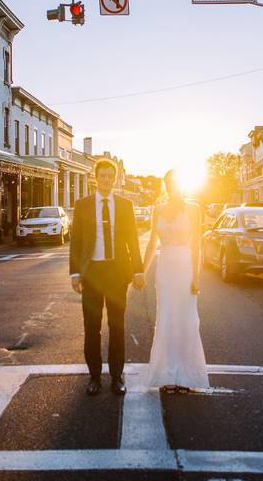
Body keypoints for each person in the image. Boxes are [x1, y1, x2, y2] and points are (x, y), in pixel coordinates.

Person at [69, 158, 144, 396]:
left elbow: (133, 239)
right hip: (92, 273)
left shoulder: (125, 204)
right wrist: (75, 272)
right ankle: (93, 377)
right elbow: (76, 241)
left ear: (115, 178)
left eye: (111, 176)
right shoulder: (83, 205)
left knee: (117, 326)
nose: (107, 180)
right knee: (92, 328)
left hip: (116, 272)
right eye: (103, 176)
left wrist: (138, 269)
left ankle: (117, 376)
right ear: (95, 177)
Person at [139, 170, 210, 392]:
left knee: (187, 319)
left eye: (176, 183)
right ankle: (168, 373)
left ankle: (187, 376)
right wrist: (141, 271)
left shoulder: (193, 208)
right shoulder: (158, 208)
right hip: (165, 267)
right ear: (166, 186)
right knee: (167, 317)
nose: (173, 187)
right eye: (169, 184)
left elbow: (197, 244)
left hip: (185, 265)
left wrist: (196, 276)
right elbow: (152, 243)